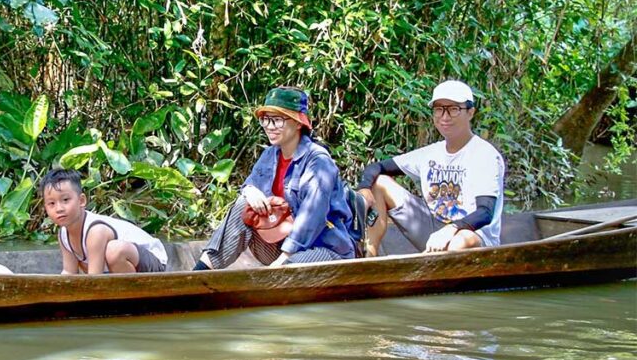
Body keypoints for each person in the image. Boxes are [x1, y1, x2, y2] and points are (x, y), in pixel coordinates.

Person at [194, 87, 355, 270]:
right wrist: (250, 191)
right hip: (280, 243)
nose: (270, 126)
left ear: (298, 123)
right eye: (266, 119)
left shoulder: (318, 161)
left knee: (290, 268)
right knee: (242, 204)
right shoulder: (270, 154)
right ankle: (201, 272)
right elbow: (250, 184)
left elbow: (312, 218)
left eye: (277, 120)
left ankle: (279, 274)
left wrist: (280, 265)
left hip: (325, 249)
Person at [356, 80, 505, 256]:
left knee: (460, 241)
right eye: (439, 109)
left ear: (470, 112)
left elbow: (485, 213)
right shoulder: (431, 153)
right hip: (435, 233)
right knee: (379, 183)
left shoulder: (484, 155)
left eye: (453, 109)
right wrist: (364, 187)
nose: (445, 117)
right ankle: (369, 256)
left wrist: (451, 229)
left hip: (473, 237)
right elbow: (377, 167)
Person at [39, 169, 168, 274]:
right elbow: (69, 272)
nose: (59, 208)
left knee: (114, 251)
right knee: (86, 263)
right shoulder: (63, 234)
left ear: (82, 201)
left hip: (153, 262)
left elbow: (94, 278)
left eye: (66, 200)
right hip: (117, 271)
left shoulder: (95, 231)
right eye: (51, 203)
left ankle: (131, 299)